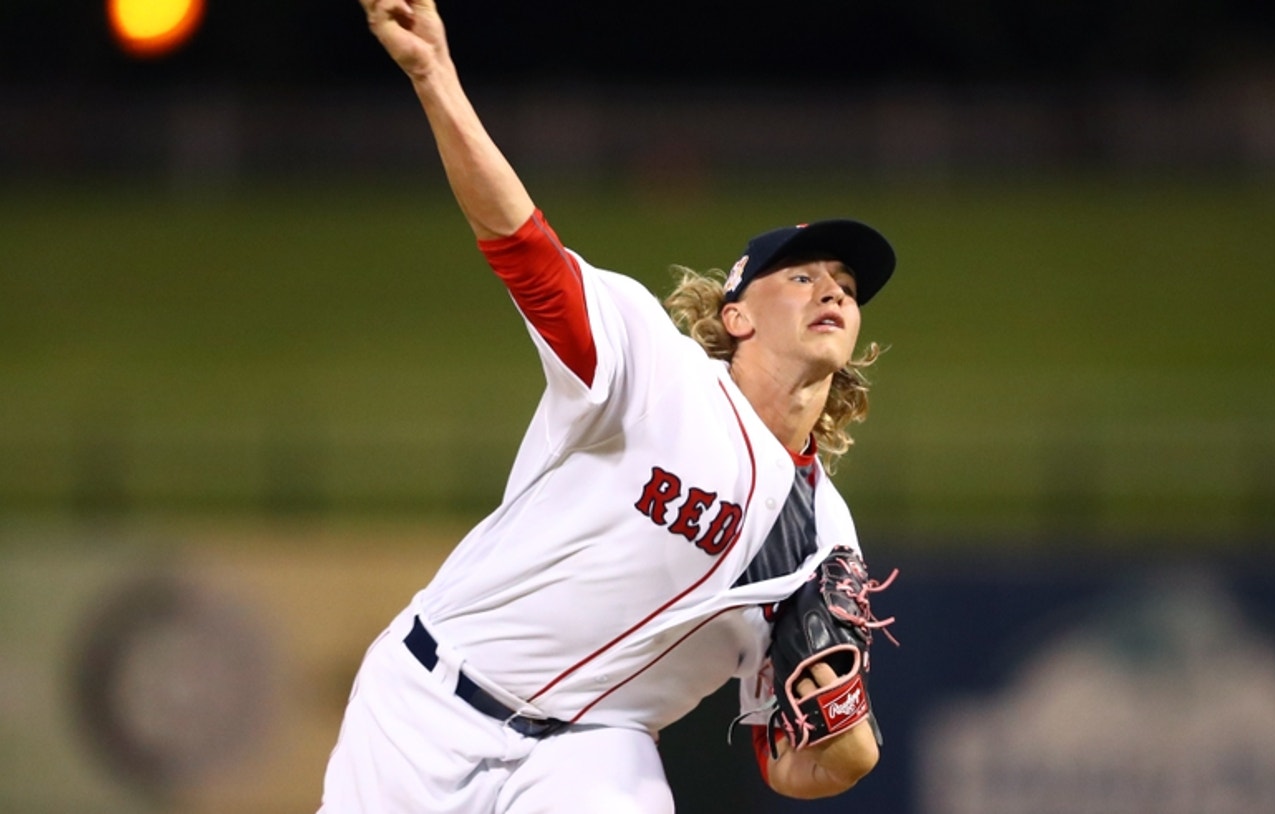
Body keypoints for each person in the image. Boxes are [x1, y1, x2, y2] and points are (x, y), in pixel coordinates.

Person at [321, 1, 899, 811]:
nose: (832, 290)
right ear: (737, 316)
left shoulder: (822, 537)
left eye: (845, 285)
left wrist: (849, 747)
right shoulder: (651, 368)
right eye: (801, 276)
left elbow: (788, 763)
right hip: (431, 704)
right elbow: (523, 249)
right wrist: (435, 77)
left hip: (595, 756)